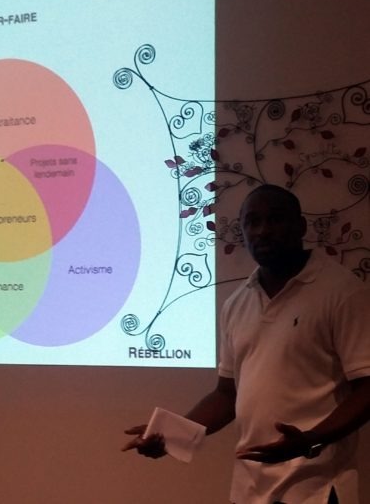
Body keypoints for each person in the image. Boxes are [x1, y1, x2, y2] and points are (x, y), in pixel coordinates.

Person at [123, 184, 370, 504]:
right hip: (250, 487)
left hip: (316, 488)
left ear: (300, 226)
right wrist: (170, 436)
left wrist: (310, 440)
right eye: (252, 222)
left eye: (275, 219)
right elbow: (227, 394)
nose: (263, 230)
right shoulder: (237, 303)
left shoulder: (342, 292)